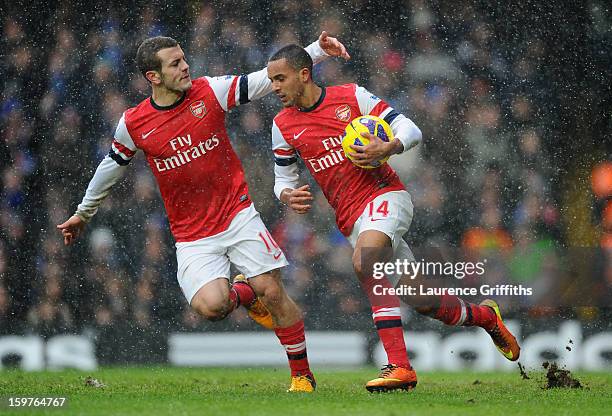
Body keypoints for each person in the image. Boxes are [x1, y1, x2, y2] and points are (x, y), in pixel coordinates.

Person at [57, 32, 350, 393]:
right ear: (154, 77)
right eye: (175, 63)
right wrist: (83, 213)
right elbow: (111, 166)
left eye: (183, 59)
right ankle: (243, 292)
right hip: (193, 236)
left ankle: (302, 375)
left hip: (238, 213)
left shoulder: (209, 91)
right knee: (212, 307)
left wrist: (318, 50)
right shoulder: (135, 122)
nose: (185, 66)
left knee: (272, 292)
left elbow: (261, 80)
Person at [266, 45, 520, 392]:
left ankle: (400, 367)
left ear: (304, 74)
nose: (275, 86)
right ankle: (487, 318)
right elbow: (283, 178)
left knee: (366, 261)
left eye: (280, 78)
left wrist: (389, 147)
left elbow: (411, 129)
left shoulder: (352, 97)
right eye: (271, 80)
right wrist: (286, 194)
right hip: (353, 220)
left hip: (387, 197)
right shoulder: (282, 125)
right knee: (425, 301)